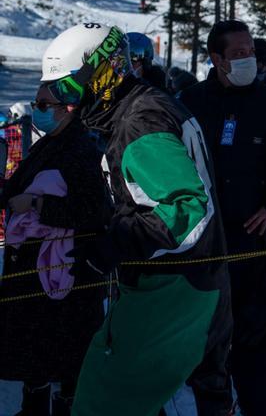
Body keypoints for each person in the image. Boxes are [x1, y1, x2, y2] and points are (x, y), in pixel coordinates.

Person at [38, 23, 231, 416]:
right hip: (189, 279)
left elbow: (188, 207)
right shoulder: (147, 102)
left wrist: (116, 242)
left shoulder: (138, 123)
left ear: (102, 74)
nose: (67, 104)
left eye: (69, 90)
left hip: (172, 287)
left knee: (103, 398)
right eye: (58, 93)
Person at [179, 19, 266, 416]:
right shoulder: (189, 102)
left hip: (248, 240)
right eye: (239, 53)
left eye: (252, 53)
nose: (249, 60)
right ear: (217, 58)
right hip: (199, 245)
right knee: (205, 347)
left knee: (252, 342)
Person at [0, 84, 109, 416]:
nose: (38, 109)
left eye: (45, 104)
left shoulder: (81, 149)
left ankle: (63, 407)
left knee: (66, 358)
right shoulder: (50, 143)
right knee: (36, 354)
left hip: (65, 275)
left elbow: (95, 212)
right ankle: (33, 407)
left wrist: (37, 204)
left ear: (69, 108)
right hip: (35, 275)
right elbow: (16, 193)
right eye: (36, 103)